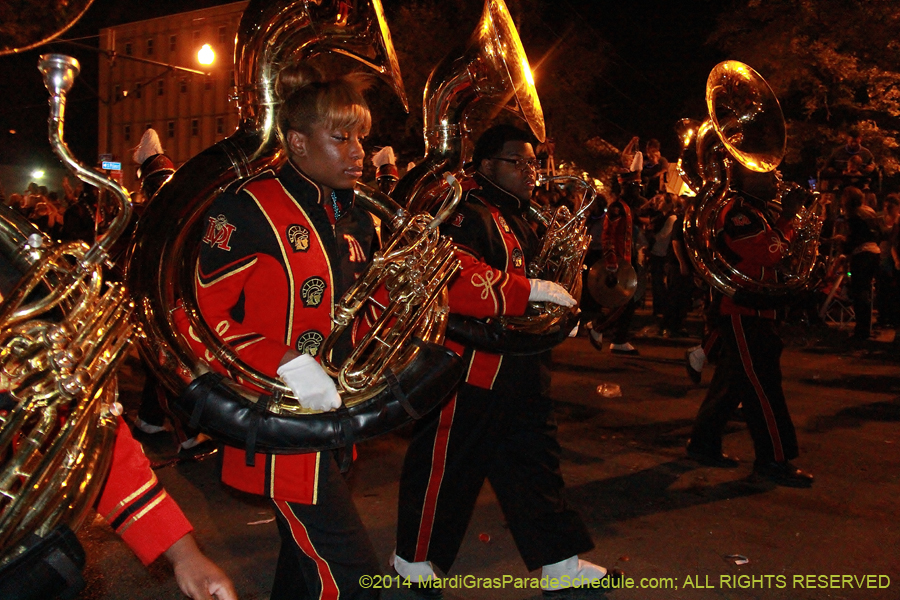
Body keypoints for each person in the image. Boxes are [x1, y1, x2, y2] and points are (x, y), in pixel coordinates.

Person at [392, 124, 619, 599]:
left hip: (520, 361)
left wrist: (558, 308)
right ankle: (411, 560)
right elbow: (451, 276)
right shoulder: (461, 210)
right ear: (486, 165)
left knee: (536, 462)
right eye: (519, 162)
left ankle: (560, 562)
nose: (531, 172)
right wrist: (530, 291)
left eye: (535, 163)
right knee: (446, 464)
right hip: (469, 365)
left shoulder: (516, 214)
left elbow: (533, 273)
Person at [185, 63, 382, 599]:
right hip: (279, 425)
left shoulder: (346, 210)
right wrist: (283, 361)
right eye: (340, 137)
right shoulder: (246, 205)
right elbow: (196, 315)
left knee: (302, 571)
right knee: (355, 580)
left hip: (334, 419)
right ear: (296, 141)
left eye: (361, 137)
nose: (357, 151)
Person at [686, 166, 814, 487]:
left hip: (757, 309)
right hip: (743, 310)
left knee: (733, 382)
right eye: (768, 174)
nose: (776, 180)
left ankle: (704, 442)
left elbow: (776, 256)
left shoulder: (757, 212)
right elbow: (768, 252)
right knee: (763, 386)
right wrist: (787, 219)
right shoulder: (739, 214)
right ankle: (773, 460)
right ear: (749, 179)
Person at [835, 186, 881, 340]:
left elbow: (854, 239)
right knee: (866, 291)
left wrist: (843, 242)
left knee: (859, 292)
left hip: (862, 254)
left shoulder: (853, 216)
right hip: (874, 252)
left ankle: (861, 330)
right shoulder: (869, 211)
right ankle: (866, 328)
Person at [821, 126, 875, 192]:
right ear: (848, 139)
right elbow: (826, 168)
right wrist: (838, 173)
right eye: (852, 141)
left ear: (860, 139)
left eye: (856, 142)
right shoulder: (838, 152)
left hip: (860, 187)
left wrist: (867, 169)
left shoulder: (866, 154)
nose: (853, 144)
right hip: (840, 186)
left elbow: (872, 169)